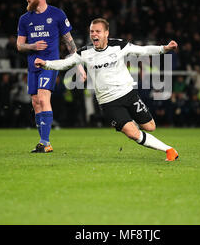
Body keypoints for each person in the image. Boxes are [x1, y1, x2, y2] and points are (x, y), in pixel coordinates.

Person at [34, 18, 179, 161]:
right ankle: (169, 150)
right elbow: (65, 63)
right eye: (92, 31)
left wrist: (164, 48)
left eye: (98, 31)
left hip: (129, 94)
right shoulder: (85, 52)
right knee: (133, 134)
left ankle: (131, 124)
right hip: (109, 102)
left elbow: (143, 50)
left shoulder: (120, 45)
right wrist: (46, 64)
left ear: (106, 33)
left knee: (150, 127)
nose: (94, 34)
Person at [16, 0, 86, 153]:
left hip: (50, 64)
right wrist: (33, 47)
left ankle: (45, 142)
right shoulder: (24, 19)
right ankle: (43, 142)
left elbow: (69, 41)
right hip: (33, 66)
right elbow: (19, 45)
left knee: (42, 98)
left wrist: (79, 64)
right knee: (35, 102)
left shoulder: (57, 14)